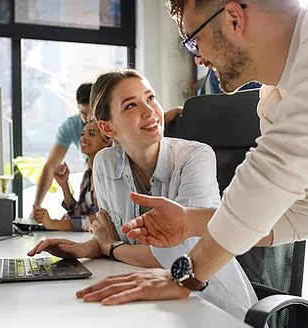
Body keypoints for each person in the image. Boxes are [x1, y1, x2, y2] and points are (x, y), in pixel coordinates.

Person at [75, 0, 308, 306]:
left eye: (193, 41)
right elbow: (297, 213)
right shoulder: (272, 100)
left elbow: (270, 175)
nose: (197, 59)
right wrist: (190, 222)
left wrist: (185, 275)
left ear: (234, 19)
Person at [29, 69, 263, 322]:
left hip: (217, 308)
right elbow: (113, 235)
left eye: (151, 98)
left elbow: (176, 257)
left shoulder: (195, 157)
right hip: (154, 304)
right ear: (108, 128)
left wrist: (110, 248)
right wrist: (87, 248)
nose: (150, 111)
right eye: (131, 105)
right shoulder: (105, 163)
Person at [32, 121, 111, 231]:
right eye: (82, 134)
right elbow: (80, 212)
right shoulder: (88, 176)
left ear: (107, 141)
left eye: (92, 134)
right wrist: (64, 184)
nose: (84, 138)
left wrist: (54, 224)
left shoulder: (109, 175)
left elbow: (101, 219)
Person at [32, 83, 93, 213]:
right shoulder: (88, 177)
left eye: (93, 113)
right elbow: (50, 166)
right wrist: (37, 207)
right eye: (84, 113)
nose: (89, 119)